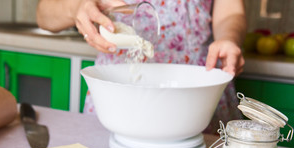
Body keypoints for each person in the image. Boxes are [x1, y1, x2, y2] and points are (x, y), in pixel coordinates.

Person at [36, 0, 247, 133]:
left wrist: (229, 38)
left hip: (199, 94)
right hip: (119, 93)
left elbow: (230, 11)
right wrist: (76, 6)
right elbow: (44, 13)